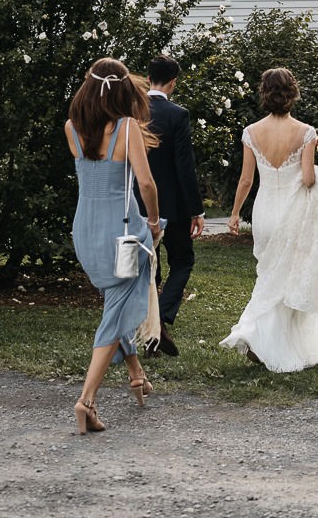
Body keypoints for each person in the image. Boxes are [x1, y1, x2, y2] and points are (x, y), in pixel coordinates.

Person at [221, 67, 318, 372]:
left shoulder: (251, 132)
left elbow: (246, 180)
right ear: (292, 94)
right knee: (288, 279)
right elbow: (307, 179)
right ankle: (265, 339)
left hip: (264, 212)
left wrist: (236, 213)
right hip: (292, 213)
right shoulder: (305, 132)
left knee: (269, 276)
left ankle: (264, 339)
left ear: (265, 93)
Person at [64, 57, 162, 433]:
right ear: (122, 91)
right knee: (115, 312)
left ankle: (136, 372)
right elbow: (147, 184)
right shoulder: (126, 128)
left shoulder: (71, 128)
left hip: (85, 229)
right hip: (120, 231)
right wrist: (153, 223)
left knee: (115, 302)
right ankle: (86, 400)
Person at [142, 54, 204, 357]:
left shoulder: (131, 112)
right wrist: (196, 209)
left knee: (148, 265)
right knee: (182, 260)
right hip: (174, 206)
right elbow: (184, 166)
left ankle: (152, 324)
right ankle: (163, 318)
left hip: (139, 201)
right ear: (173, 82)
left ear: (148, 77)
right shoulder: (177, 114)